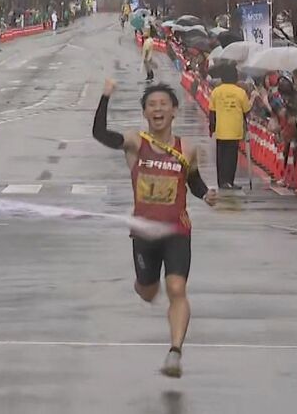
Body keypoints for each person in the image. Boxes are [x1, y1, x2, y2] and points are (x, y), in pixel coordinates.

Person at [92, 79, 217, 378]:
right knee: (148, 292)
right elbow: (100, 134)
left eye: (163, 104)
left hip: (177, 231)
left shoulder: (187, 148)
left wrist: (206, 195)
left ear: (174, 110)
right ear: (145, 113)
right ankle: (144, 283)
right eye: (152, 105)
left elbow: (194, 181)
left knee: (176, 288)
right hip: (144, 232)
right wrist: (105, 96)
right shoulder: (136, 143)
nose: (158, 109)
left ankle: (175, 352)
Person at [209, 65, 251, 190]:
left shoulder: (216, 92)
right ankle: (229, 182)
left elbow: (212, 112)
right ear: (235, 77)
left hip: (220, 130)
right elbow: (246, 110)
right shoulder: (240, 92)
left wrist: (211, 128)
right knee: (231, 158)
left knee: (220, 157)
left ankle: (221, 181)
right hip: (234, 130)